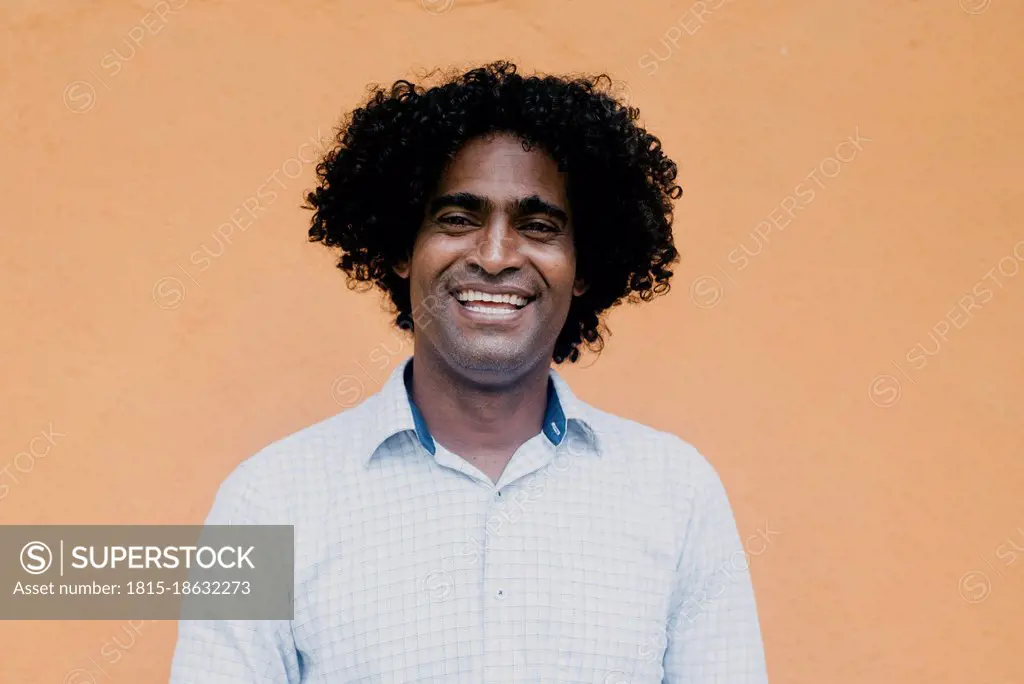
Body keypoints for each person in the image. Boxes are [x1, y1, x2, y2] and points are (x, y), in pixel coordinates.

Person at [169, 61, 769, 683]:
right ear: (402, 248)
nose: (494, 255)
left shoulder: (677, 493)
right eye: (458, 218)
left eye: (538, 227)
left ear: (584, 266)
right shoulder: (270, 500)